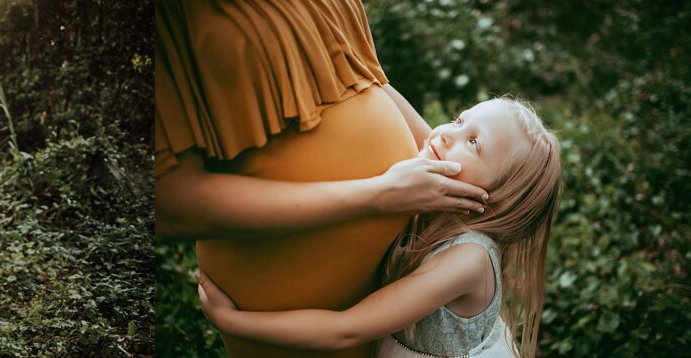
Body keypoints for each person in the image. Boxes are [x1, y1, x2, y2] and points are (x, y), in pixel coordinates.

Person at [156, 0, 487, 356]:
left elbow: (364, 75)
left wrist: (459, 178)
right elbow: (170, 205)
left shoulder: (470, 258)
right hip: (293, 303)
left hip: (395, 280)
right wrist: (379, 194)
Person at [198, 98, 563, 358]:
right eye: (457, 119)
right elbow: (390, 96)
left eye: (474, 142)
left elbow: (347, 329)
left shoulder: (468, 259)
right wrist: (355, 58)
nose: (445, 135)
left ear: (498, 197)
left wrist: (233, 322)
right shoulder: (445, 186)